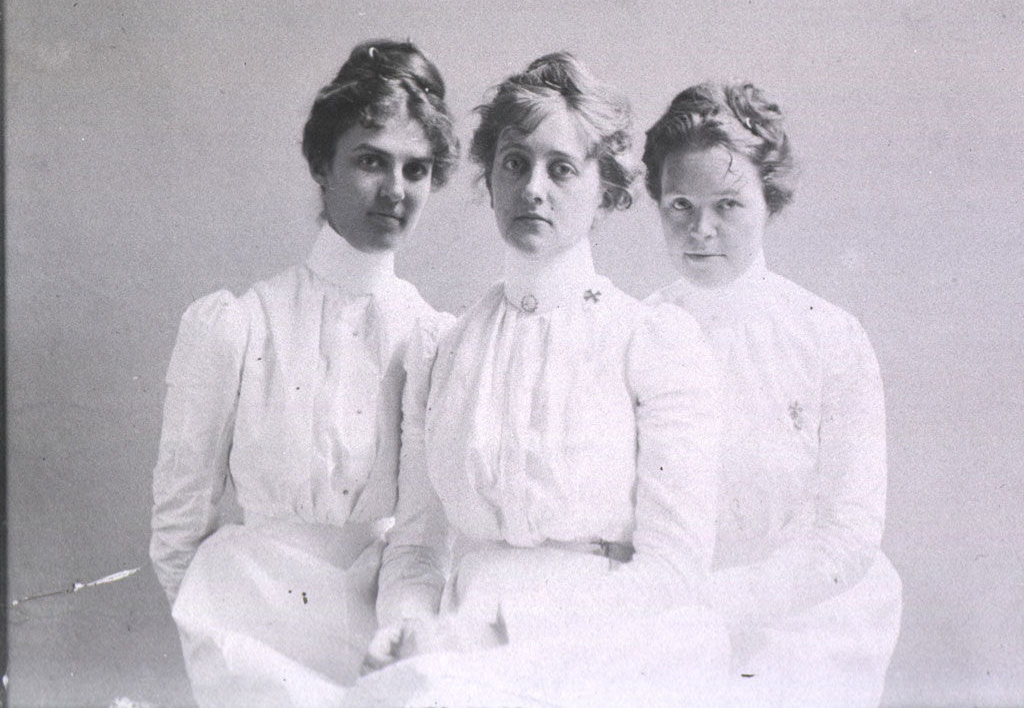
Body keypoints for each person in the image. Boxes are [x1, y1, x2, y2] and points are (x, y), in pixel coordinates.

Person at [352, 53, 728, 708]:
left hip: (606, 643)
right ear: (489, 178)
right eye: (515, 163)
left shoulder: (652, 343)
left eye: (561, 169)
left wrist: (500, 636)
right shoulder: (441, 351)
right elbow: (415, 549)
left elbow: (674, 570)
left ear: (605, 189)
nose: (533, 189)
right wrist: (410, 631)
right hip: (460, 641)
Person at [149, 39, 459, 708]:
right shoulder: (239, 326)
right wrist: (225, 647)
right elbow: (177, 530)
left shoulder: (433, 342)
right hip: (249, 629)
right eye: (371, 161)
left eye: (417, 169)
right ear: (322, 163)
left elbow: (419, 537)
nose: (394, 191)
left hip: (380, 628)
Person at [642, 81, 902, 708]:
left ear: (769, 201)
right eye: (680, 205)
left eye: (728, 205)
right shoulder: (636, 333)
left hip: (804, 618)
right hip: (667, 615)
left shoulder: (827, 336)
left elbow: (850, 529)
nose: (700, 229)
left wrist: (725, 605)